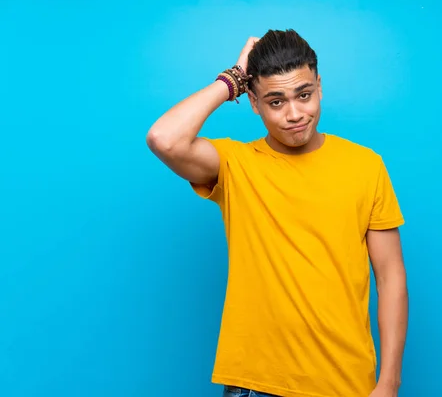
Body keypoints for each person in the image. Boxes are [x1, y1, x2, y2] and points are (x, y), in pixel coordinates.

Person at [146, 29, 408, 397]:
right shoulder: (235, 165)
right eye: (275, 101)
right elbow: (164, 139)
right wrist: (233, 78)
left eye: (304, 95)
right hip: (256, 385)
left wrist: (390, 382)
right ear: (253, 102)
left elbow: (391, 277)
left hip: (346, 383)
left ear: (319, 85)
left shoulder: (366, 166)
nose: (295, 114)